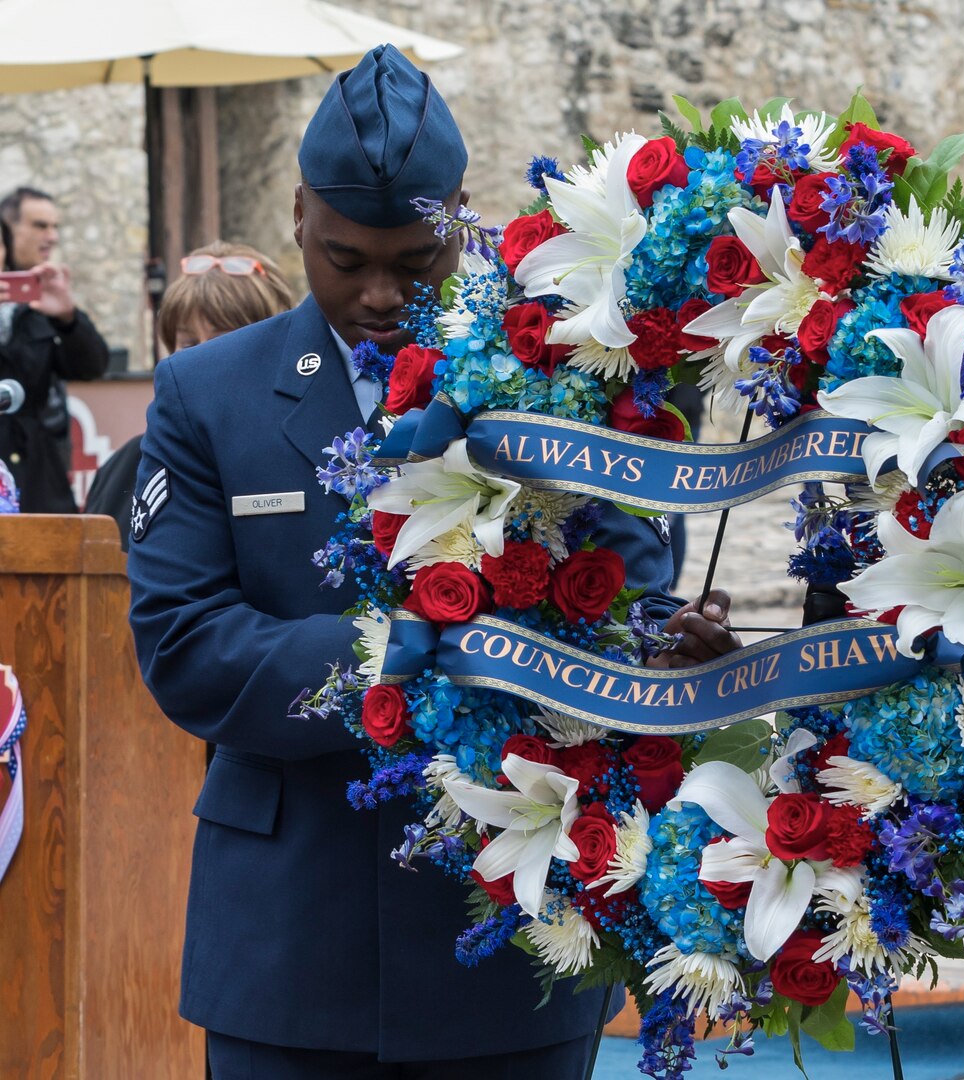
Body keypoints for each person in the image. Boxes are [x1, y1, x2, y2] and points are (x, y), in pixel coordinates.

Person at [127, 45, 739, 1079]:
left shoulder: (554, 380)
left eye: (415, 265)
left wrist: (667, 642)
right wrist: (404, 660)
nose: (375, 294)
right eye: (343, 258)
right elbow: (185, 643)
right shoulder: (205, 393)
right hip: (289, 944)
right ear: (296, 218)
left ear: (462, 215)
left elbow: (629, 585)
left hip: (509, 938)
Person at [84, 242, 295, 548]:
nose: (199, 360)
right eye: (188, 344)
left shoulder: (303, 460)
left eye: (222, 343)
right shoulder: (128, 464)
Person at [0, 211, 110, 512]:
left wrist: (68, 317)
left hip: (39, 479)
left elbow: (92, 367)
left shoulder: (33, 308)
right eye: (40, 225)